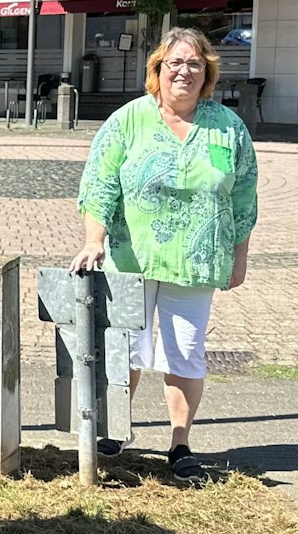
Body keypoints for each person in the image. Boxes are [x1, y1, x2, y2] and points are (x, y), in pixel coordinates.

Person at [69, 26, 259, 485]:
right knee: (128, 351)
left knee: (187, 354)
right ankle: (115, 429)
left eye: (195, 64)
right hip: (130, 259)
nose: (184, 72)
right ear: (158, 69)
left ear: (207, 73)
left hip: (195, 262)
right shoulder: (129, 120)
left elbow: (244, 198)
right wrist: (94, 240)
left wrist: (240, 257)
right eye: (175, 63)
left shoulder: (227, 128)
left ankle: (179, 444)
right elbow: (99, 186)